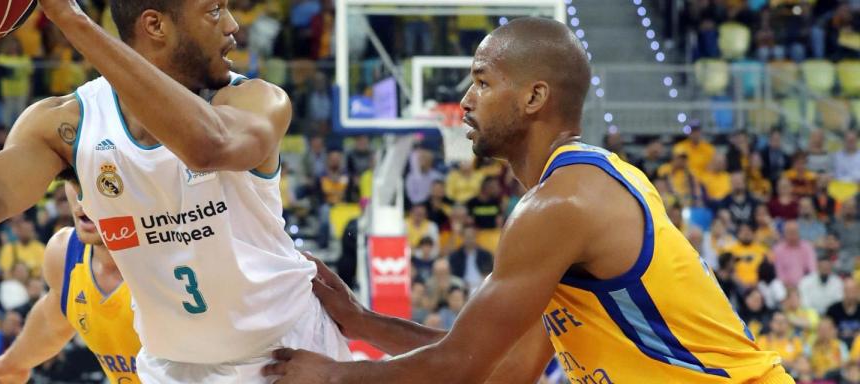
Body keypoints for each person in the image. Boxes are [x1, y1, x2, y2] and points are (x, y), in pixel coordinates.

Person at [265, 18, 789, 383]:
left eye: (482, 81)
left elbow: (459, 370)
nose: (466, 99)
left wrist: (335, 375)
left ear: (534, 97)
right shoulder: (575, 194)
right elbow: (503, 368)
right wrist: (362, 323)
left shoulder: (562, 205)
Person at [0, 0, 350, 380]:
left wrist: (75, 21)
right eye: (215, 10)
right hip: (171, 367)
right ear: (155, 26)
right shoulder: (68, 122)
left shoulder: (257, 99)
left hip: (292, 358)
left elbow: (209, 146)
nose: (233, 25)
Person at [0, 174, 142, 383]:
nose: (83, 195)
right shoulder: (65, 254)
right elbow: (51, 324)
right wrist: (12, 363)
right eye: (76, 178)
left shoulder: (174, 256)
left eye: (99, 179)